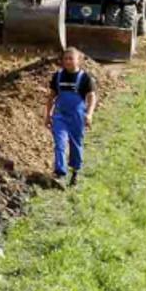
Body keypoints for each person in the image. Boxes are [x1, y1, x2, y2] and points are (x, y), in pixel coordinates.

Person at [44, 47, 98, 187]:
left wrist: (89, 114)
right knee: (60, 143)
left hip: (77, 117)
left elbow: (92, 97)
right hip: (60, 116)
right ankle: (60, 174)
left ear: (78, 61)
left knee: (75, 145)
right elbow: (51, 97)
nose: (67, 61)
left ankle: (75, 171)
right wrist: (48, 114)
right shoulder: (58, 76)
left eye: (71, 58)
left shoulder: (85, 78)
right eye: (65, 58)